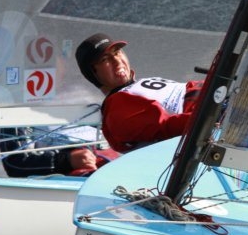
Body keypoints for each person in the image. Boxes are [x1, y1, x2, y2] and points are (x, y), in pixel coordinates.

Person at [75, 33, 203, 153]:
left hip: (208, 99)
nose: (117, 61)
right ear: (93, 73)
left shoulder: (138, 85)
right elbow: (169, 126)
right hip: (205, 113)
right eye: (105, 59)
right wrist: (208, 116)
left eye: (117, 52)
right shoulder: (117, 107)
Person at [0, 125, 119, 177]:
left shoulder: (102, 98)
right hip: (62, 185)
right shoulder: (19, 101)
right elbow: (15, 163)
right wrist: (66, 160)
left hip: (111, 178)